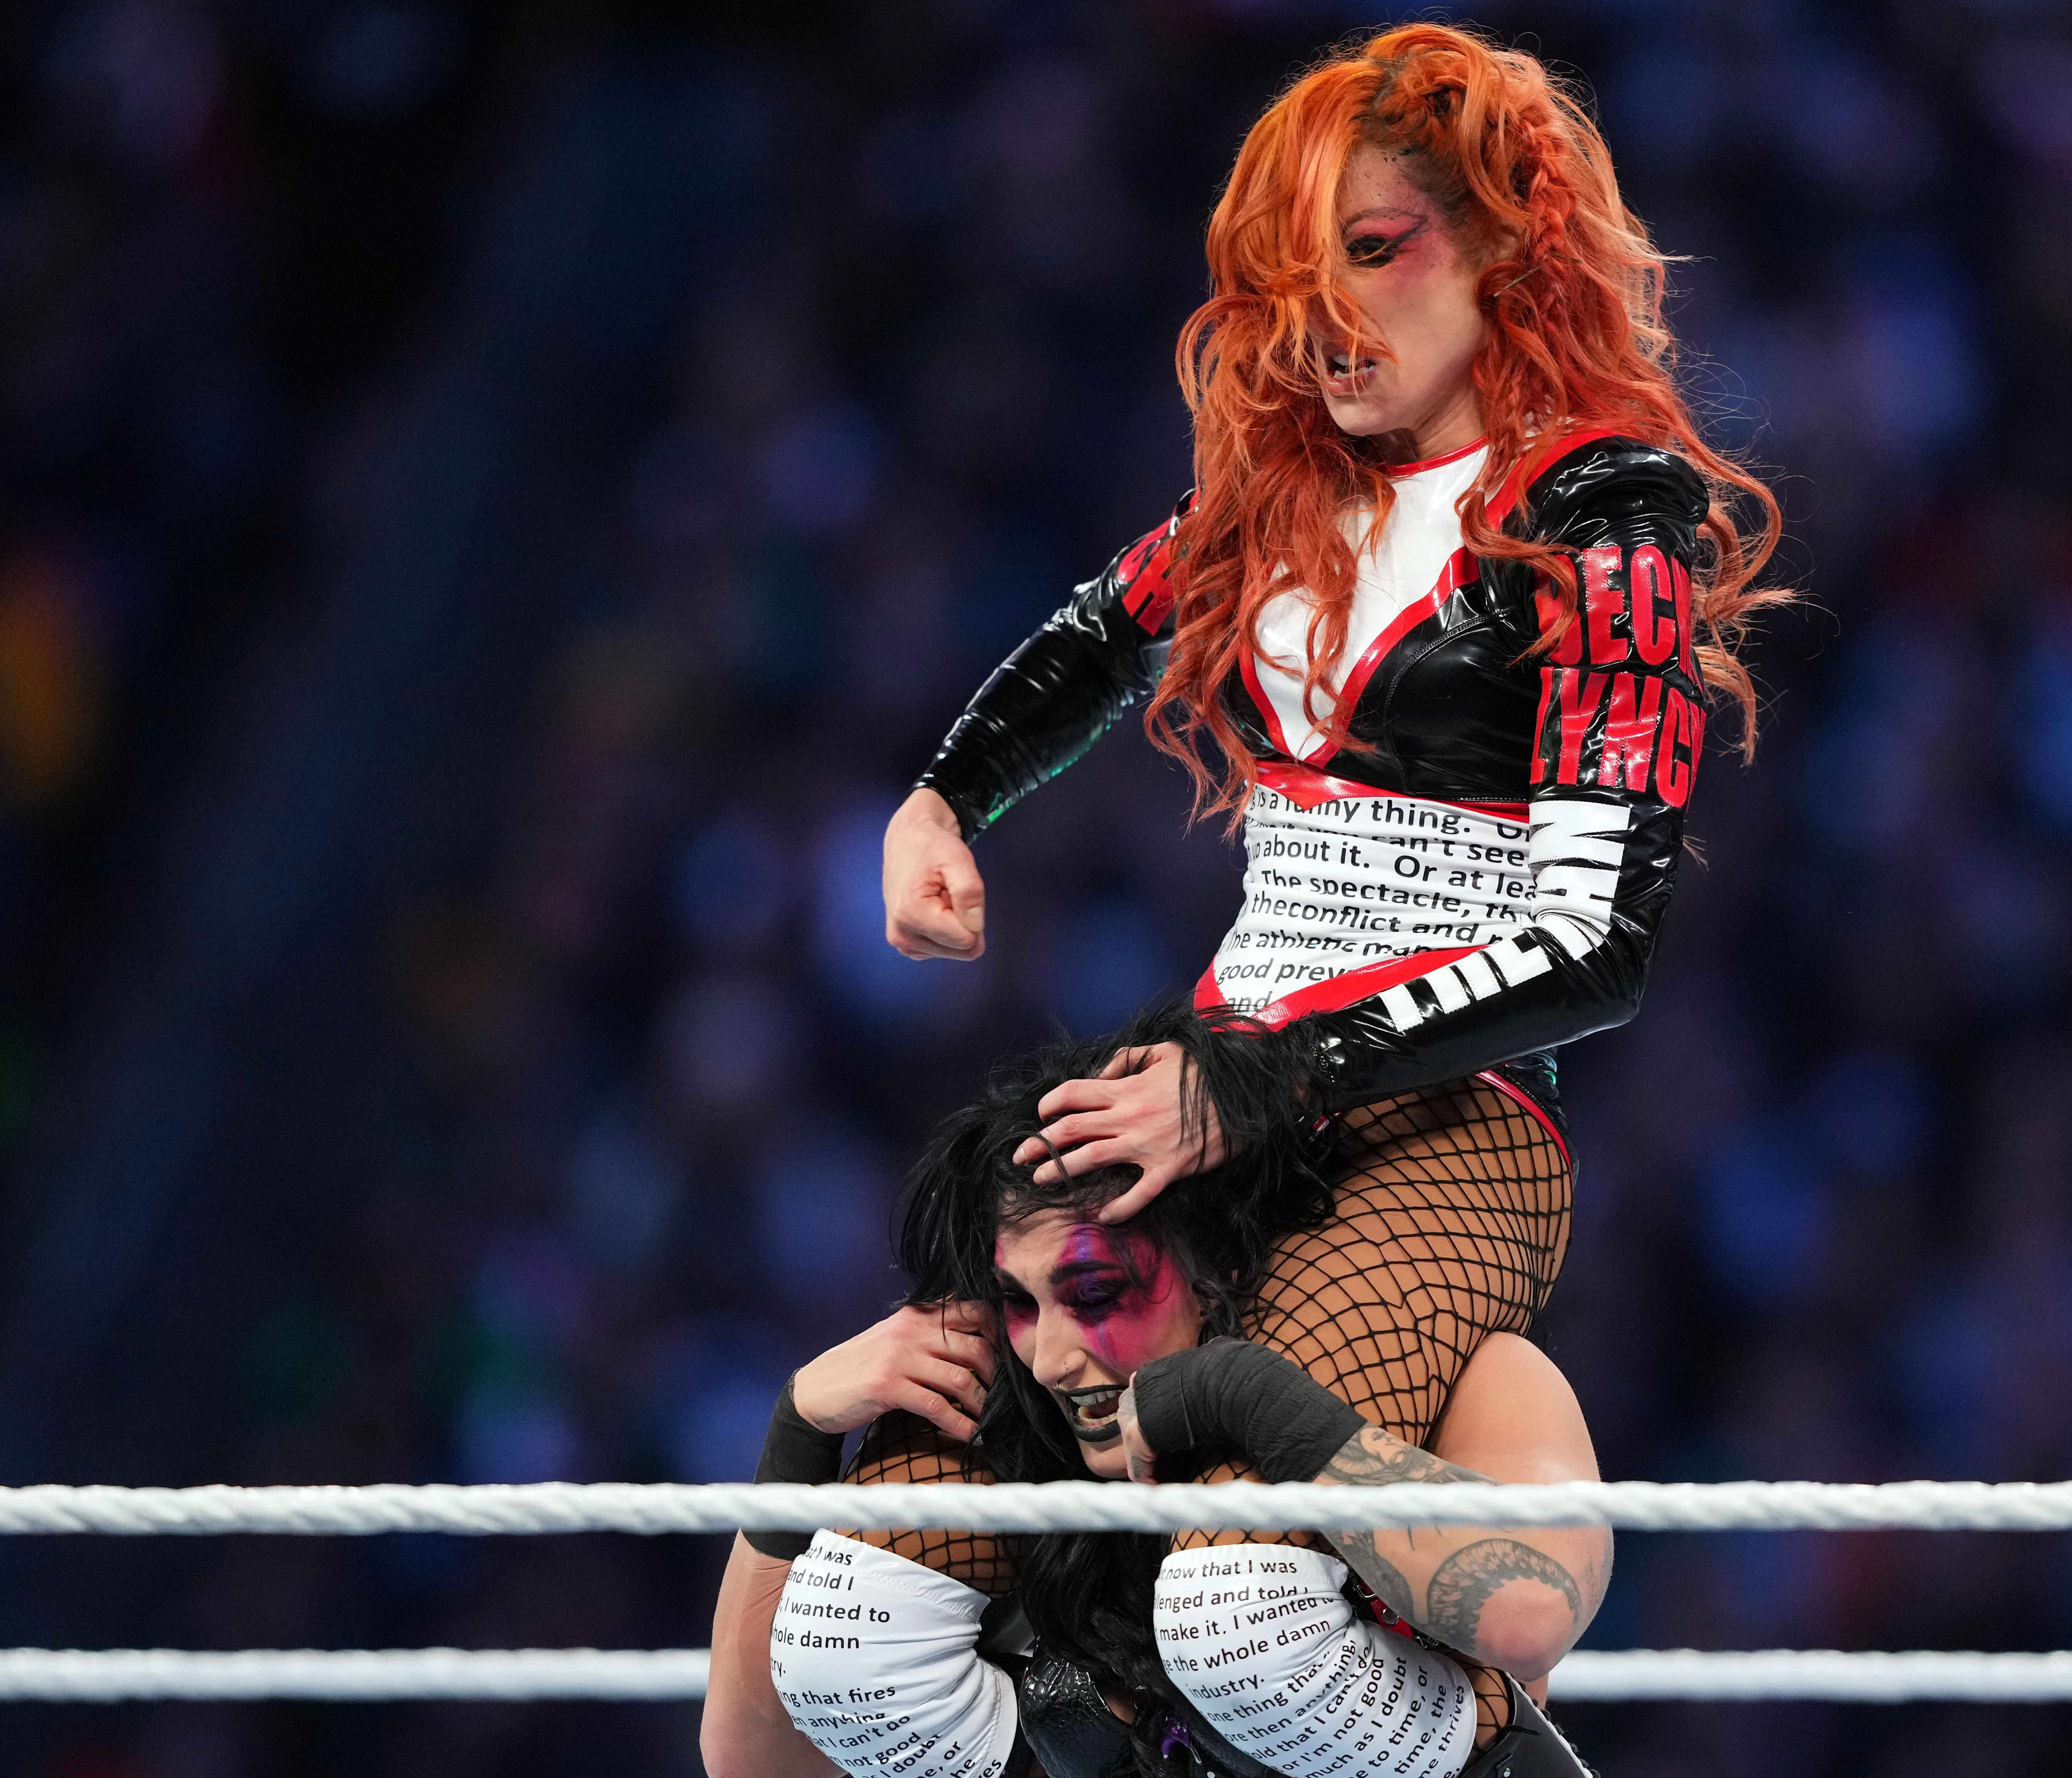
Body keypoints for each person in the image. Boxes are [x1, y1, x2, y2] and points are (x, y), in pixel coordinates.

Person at [873, 18, 1781, 1569]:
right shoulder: (1285, 498)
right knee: (901, 1562)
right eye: (1297, 280)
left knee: (1232, 1568)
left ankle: (1488, 1709)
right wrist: (943, 799)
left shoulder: (1605, 516)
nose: (1331, 322)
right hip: (1216, 1080)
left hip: (1446, 1110)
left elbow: (1596, 944)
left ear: (1504, 236)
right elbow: (1102, 630)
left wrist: (1265, 1077)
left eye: (1374, 250)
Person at [702, 1013, 1613, 1778]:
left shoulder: (1458, 1377)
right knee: (869, 1635)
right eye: (1020, 1302)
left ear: (1215, 1264)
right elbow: (759, 1760)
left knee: (1242, 1623)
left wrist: (1256, 1401)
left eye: (1098, 1293)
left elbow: (1531, 1616)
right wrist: (799, 1442)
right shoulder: (1018, 1456)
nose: (1055, 1356)